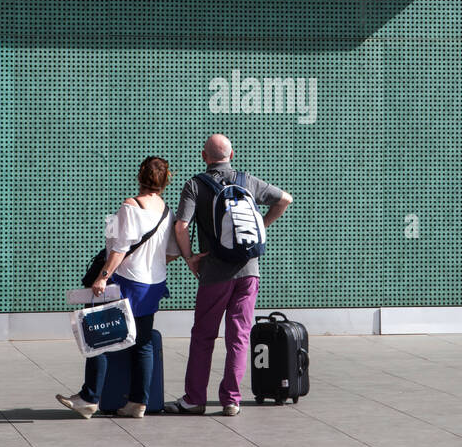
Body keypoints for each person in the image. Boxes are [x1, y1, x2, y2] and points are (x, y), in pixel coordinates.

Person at [164, 134, 292, 415]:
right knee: (239, 336)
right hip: (249, 272)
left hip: (215, 272)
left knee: (203, 336)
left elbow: (181, 226)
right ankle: (231, 399)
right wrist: (263, 224)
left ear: (203, 156)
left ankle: (194, 399)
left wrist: (189, 259)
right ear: (231, 155)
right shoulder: (247, 181)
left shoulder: (195, 185)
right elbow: (285, 199)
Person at [57, 156, 178, 419]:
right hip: (153, 284)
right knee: (143, 343)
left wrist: (102, 277)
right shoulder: (167, 212)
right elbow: (171, 252)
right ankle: (138, 403)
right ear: (165, 180)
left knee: (100, 338)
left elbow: (119, 250)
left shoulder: (130, 206)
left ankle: (89, 398)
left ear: (140, 176)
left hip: (126, 282)